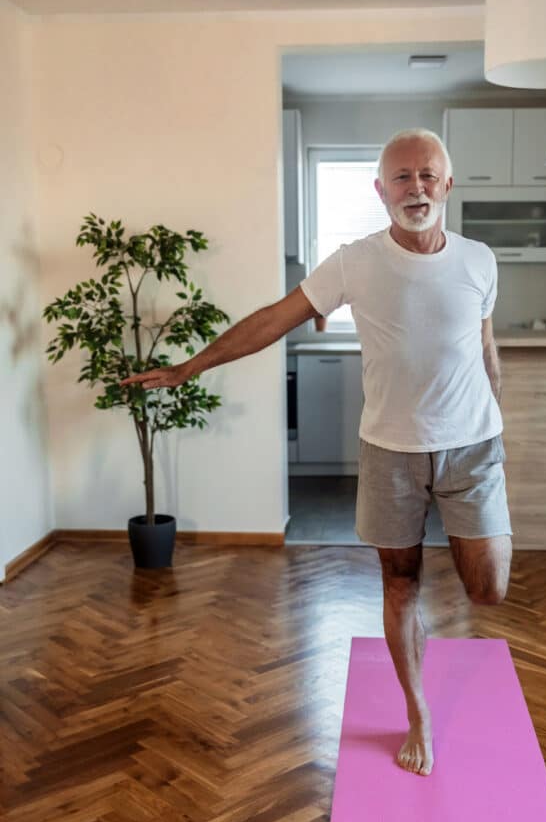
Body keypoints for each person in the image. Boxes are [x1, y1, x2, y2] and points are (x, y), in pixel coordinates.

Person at [120, 128, 512, 778]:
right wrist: (191, 366)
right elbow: (274, 318)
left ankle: (430, 627)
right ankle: (417, 713)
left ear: (447, 184)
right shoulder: (353, 262)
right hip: (390, 451)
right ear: (380, 189)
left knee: (487, 588)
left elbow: (482, 341)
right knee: (399, 582)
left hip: (472, 445)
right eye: (401, 176)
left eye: (426, 175)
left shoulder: (479, 260)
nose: (414, 187)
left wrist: (498, 411)